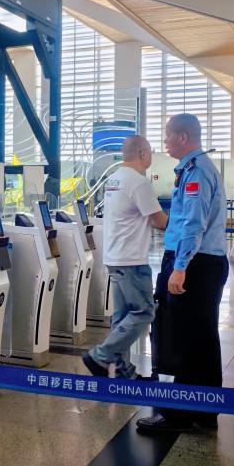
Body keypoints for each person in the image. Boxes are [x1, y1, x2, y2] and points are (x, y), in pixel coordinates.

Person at [138, 114, 228, 435]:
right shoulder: (194, 168)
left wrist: (180, 267)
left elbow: (193, 223)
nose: (164, 142)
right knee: (202, 338)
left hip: (194, 264)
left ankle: (178, 415)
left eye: (167, 136)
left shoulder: (196, 172)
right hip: (202, 262)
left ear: (183, 137)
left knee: (184, 338)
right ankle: (205, 411)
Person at [82, 134, 167, 379]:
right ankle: (101, 355)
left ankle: (122, 371)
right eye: (150, 153)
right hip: (132, 261)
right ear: (142, 153)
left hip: (114, 257)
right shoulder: (138, 182)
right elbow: (158, 220)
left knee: (121, 318)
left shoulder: (114, 179)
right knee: (144, 312)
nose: (151, 157)